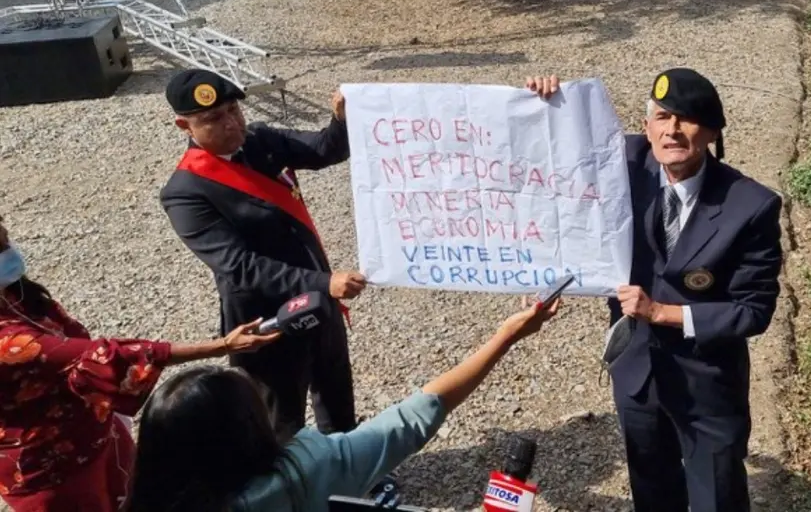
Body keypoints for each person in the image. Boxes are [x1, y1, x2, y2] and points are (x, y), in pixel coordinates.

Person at [527, 69, 783, 512]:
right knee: (653, 494)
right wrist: (545, 105)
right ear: (646, 126)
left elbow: (753, 310)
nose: (673, 130)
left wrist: (663, 313)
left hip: (707, 383)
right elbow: (548, 155)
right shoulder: (620, 166)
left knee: (717, 497)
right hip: (638, 375)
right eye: (662, 117)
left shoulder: (751, 206)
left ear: (712, 132)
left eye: (687, 119)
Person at [124, 298, 561, 512]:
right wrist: (506, 336)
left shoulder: (141, 499)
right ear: (247, 429)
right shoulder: (307, 466)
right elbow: (413, 417)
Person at [0, 215, 280, 512]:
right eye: (0, 247)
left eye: (6, 240)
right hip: (52, 471)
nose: (9, 252)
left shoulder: (16, 296)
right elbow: (102, 356)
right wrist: (221, 346)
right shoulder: (7, 342)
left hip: (97, 438)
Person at [159, 69, 367, 446]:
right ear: (183, 125)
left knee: (336, 390)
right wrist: (325, 282)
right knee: (281, 418)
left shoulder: (262, 141)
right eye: (213, 119)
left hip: (319, 299)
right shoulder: (185, 193)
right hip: (266, 319)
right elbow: (241, 267)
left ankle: (346, 473)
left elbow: (325, 148)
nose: (230, 123)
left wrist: (341, 119)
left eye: (233, 110)